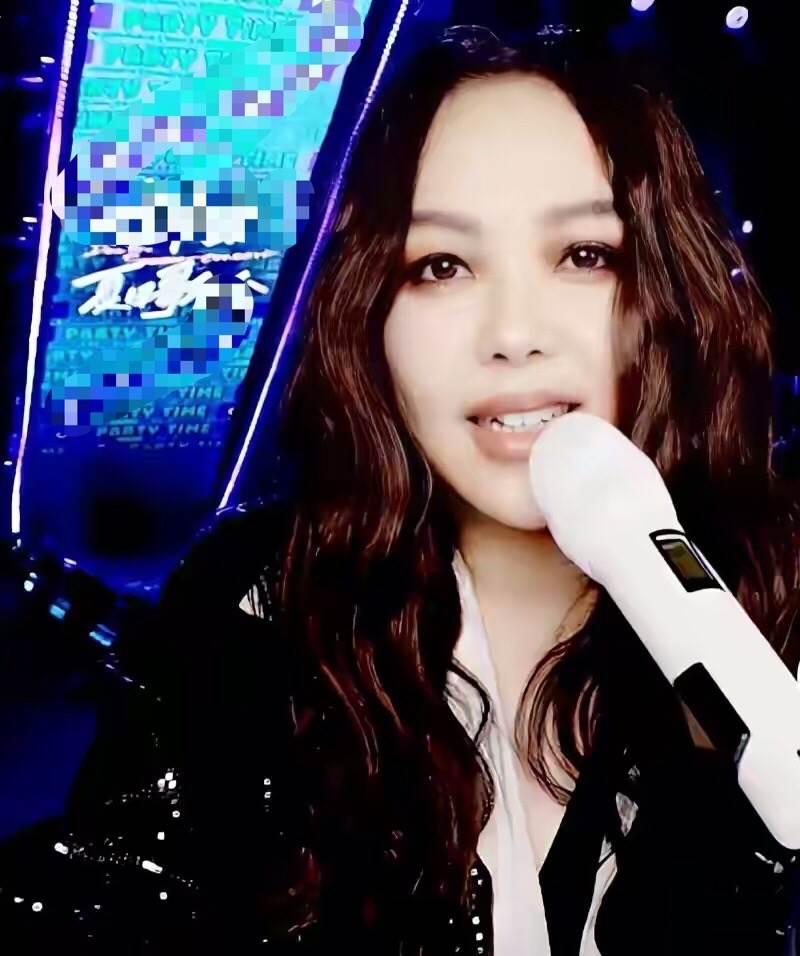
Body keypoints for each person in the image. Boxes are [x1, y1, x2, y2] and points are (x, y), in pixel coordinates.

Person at [1, 24, 799, 956]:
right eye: (441, 266)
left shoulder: (769, 602)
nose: (514, 335)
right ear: (371, 316)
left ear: (668, 291)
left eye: (585, 254)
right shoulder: (258, 609)